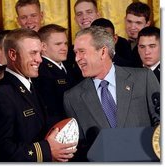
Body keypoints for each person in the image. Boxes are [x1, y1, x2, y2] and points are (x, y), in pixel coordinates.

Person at [63, 26, 160, 161]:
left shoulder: (143, 79)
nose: (77, 58)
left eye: (82, 51)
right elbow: (80, 149)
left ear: (103, 52)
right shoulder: (72, 98)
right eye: (75, 53)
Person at [0, 28, 77, 162]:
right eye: (33, 53)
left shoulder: (30, 85)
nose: (39, 59)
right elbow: (1, 149)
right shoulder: (2, 94)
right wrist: (46, 150)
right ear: (12, 55)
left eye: (40, 53)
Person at [34, 24, 75, 128]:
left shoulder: (68, 67)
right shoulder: (41, 73)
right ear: (43, 47)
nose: (64, 48)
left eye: (65, 43)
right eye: (58, 44)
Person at [124, 2, 151, 67]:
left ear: (147, 24)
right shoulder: (118, 44)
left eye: (138, 23)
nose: (132, 27)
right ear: (124, 20)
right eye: (129, 21)